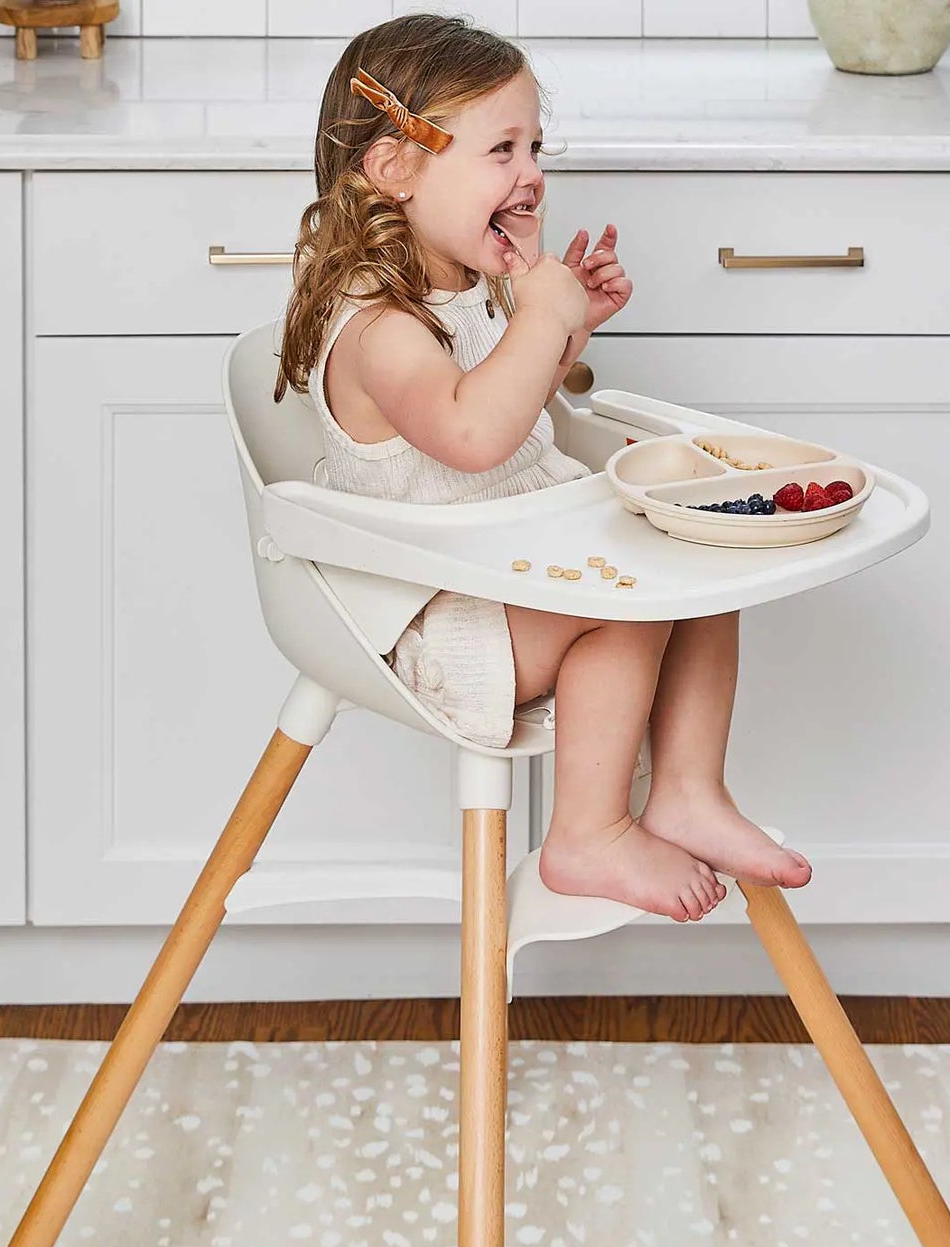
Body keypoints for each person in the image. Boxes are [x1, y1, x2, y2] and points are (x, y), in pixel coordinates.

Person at [275, 14, 812, 923]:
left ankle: (686, 789)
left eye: (535, 147)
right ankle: (586, 833)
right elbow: (472, 436)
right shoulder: (379, 330)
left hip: (508, 565)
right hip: (444, 613)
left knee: (702, 564)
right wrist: (537, 318)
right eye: (500, 150)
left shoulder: (462, 293)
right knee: (633, 597)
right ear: (395, 169)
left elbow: (508, 415)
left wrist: (564, 331)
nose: (531, 175)